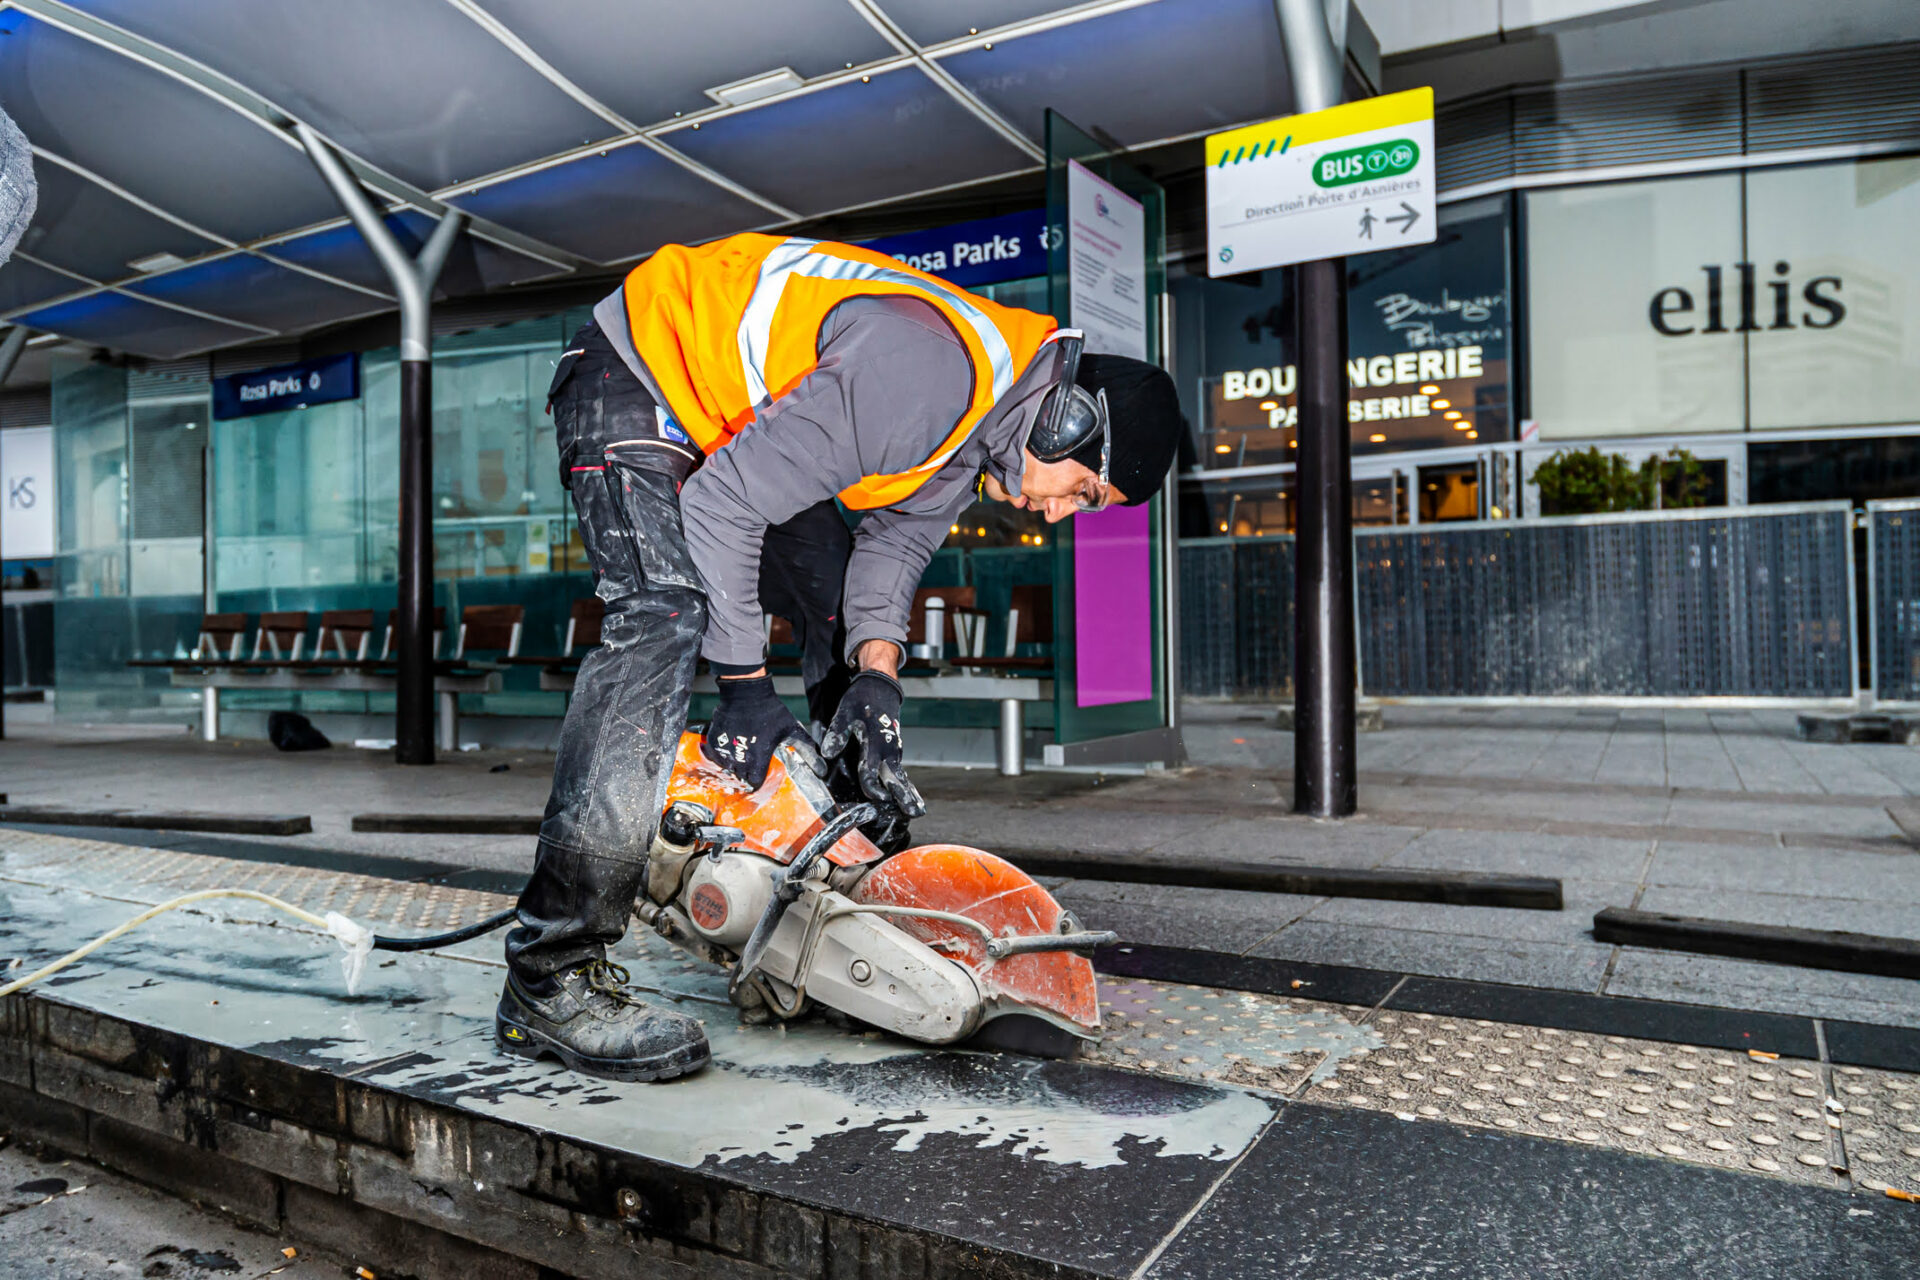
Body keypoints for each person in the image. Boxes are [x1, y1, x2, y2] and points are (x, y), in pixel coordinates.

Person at [496, 233, 1184, 1081]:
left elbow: (890, 555)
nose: (1058, 514)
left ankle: (832, 876)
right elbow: (720, 502)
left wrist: (876, 682)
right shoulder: (930, 379)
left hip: (730, 419)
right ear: (1068, 418)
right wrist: (744, 687)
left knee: (830, 602)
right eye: (1084, 491)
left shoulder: (976, 433)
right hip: (639, 367)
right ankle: (550, 975)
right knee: (662, 616)